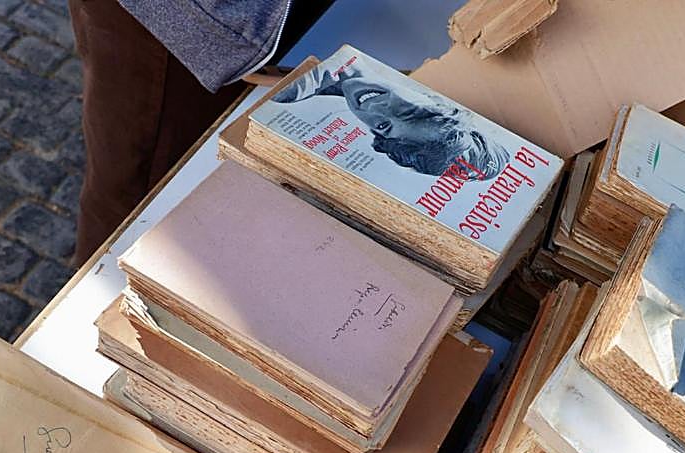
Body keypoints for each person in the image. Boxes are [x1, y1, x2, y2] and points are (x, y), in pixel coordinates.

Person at [67, 0, 325, 266]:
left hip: (246, 22)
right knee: (144, 191)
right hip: (186, 23)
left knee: (209, 178)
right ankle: (106, 287)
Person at [273, 61, 510, 180]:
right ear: (436, 100)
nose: (374, 107)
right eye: (408, 111)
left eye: (382, 127)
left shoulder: (293, 92)